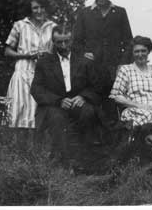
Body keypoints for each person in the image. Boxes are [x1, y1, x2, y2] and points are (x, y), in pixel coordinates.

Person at [30, 25, 102, 170]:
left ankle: (85, 162)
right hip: (55, 104)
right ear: (53, 42)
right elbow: (36, 89)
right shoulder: (44, 62)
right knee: (57, 119)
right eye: (59, 42)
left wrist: (83, 97)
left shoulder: (84, 60)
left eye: (66, 41)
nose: (63, 46)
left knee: (89, 113)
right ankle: (65, 164)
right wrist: (58, 101)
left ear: (72, 40)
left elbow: (97, 86)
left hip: (78, 102)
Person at [72, 0, 133, 120]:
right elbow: (76, 43)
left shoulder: (119, 12)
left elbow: (129, 42)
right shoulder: (84, 13)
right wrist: (83, 54)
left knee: (113, 109)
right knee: (92, 109)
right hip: (92, 72)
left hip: (114, 71)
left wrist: (122, 65)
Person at [5, 0, 56, 130]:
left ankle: (38, 151)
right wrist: (27, 55)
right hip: (23, 73)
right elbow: (8, 51)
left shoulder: (53, 27)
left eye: (42, 7)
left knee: (39, 115)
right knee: (19, 115)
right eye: (35, 8)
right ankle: (18, 151)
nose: (39, 11)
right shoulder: (20, 25)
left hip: (45, 76)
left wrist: (48, 55)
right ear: (30, 9)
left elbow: (60, 51)